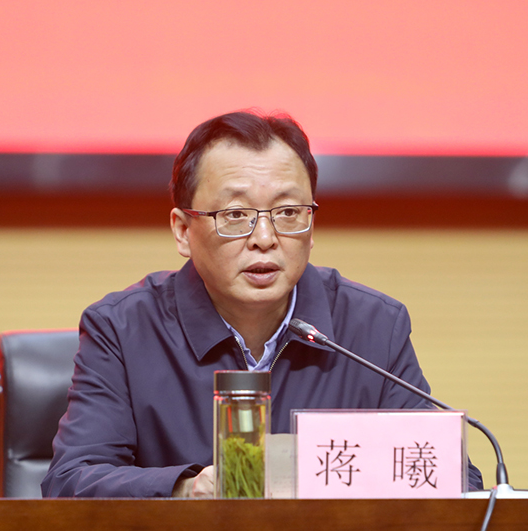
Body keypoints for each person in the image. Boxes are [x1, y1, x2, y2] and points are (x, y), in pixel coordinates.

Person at [41, 110, 483, 497]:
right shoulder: (122, 330)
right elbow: (70, 481)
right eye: (235, 215)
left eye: (288, 213)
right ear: (182, 230)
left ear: (311, 225)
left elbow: (452, 478)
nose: (265, 238)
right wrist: (186, 489)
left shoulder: (372, 327)